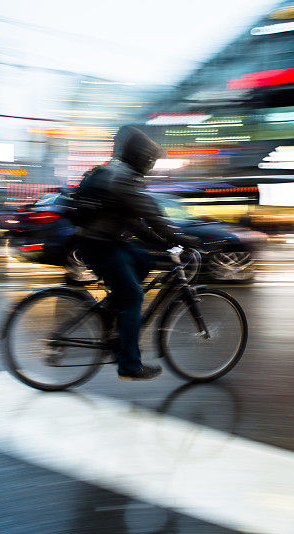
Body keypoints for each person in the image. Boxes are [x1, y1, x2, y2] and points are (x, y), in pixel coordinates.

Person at [72, 126, 198, 380]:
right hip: (99, 245)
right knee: (132, 298)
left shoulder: (121, 174)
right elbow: (153, 216)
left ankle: (114, 314)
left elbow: (136, 223)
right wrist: (182, 239)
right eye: (149, 160)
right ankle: (129, 364)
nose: (151, 165)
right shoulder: (123, 179)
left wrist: (162, 243)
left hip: (107, 241)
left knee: (143, 261)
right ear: (140, 157)